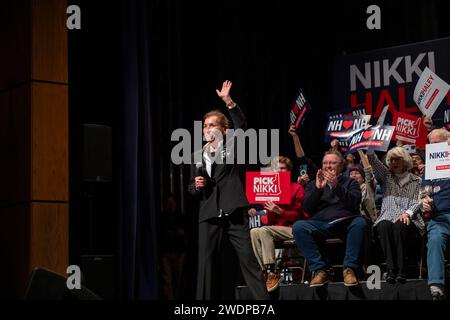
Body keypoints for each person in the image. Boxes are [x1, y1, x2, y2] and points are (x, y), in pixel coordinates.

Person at [188, 80, 269, 300]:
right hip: (208, 212)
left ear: (224, 129)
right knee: (205, 265)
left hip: (233, 210)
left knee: (248, 260)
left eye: (212, 125)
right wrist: (196, 187)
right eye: (205, 125)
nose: (207, 129)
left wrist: (228, 101)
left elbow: (241, 124)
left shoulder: (232, 145)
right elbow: (191, 188)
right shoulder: (197, 155)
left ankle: (264, 303)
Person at [292, 150, 367, 287]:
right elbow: (307, 208)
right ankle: (320, 270)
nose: (328, 166)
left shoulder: (350, 182)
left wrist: (336, 186)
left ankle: (349, 269)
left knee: (359, 222)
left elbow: (354, 204)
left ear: (341, 166)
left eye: (332, 162)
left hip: (344, 222)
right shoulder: (313, 184)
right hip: (320, 224)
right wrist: (318, 190)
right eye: (325, 163)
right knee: (299, 227)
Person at [250, 156, 309, 292]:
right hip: (276, 229)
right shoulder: (270, 189)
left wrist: (280, 211)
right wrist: (269, 209)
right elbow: (269, 220)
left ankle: (272, 270)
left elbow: (301, 215)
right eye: (276, 168)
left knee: (264, 230)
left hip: (294, 228)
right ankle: (264, 271)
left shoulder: (297, 188)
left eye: (282, 168)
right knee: (254, 231)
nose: (279, 171)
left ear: (288, 171)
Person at [367, 147, 424, 284]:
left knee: (400, 225)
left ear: (405, 161)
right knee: (383, 225)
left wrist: (408, 213)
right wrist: (370, 146)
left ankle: (402, 270)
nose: (393, 162)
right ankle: (391, 270)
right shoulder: (386, 177)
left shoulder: (417, 181)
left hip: (410, 218)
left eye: (397, 159)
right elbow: (373, 161)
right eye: (391, 160)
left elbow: (420, 201)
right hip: (388, 216)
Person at [419, 128, 450, 300]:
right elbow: (425, 191)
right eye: (431, 145)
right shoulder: (429, 169)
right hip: (439, 218)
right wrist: (425, 200)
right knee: (435, 238)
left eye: (437, 144)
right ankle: (436, 287)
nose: (433, 148)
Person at [159, 194, 188, 300]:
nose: (171, 205)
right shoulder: (162, 218)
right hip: (166, 252)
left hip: (179, 252)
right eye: (169, 203)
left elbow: (185, 232)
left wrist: (180, 233)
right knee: (167, 280)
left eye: (172, 203)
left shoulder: (180, 216)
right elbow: (162, 233)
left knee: (178, 278)